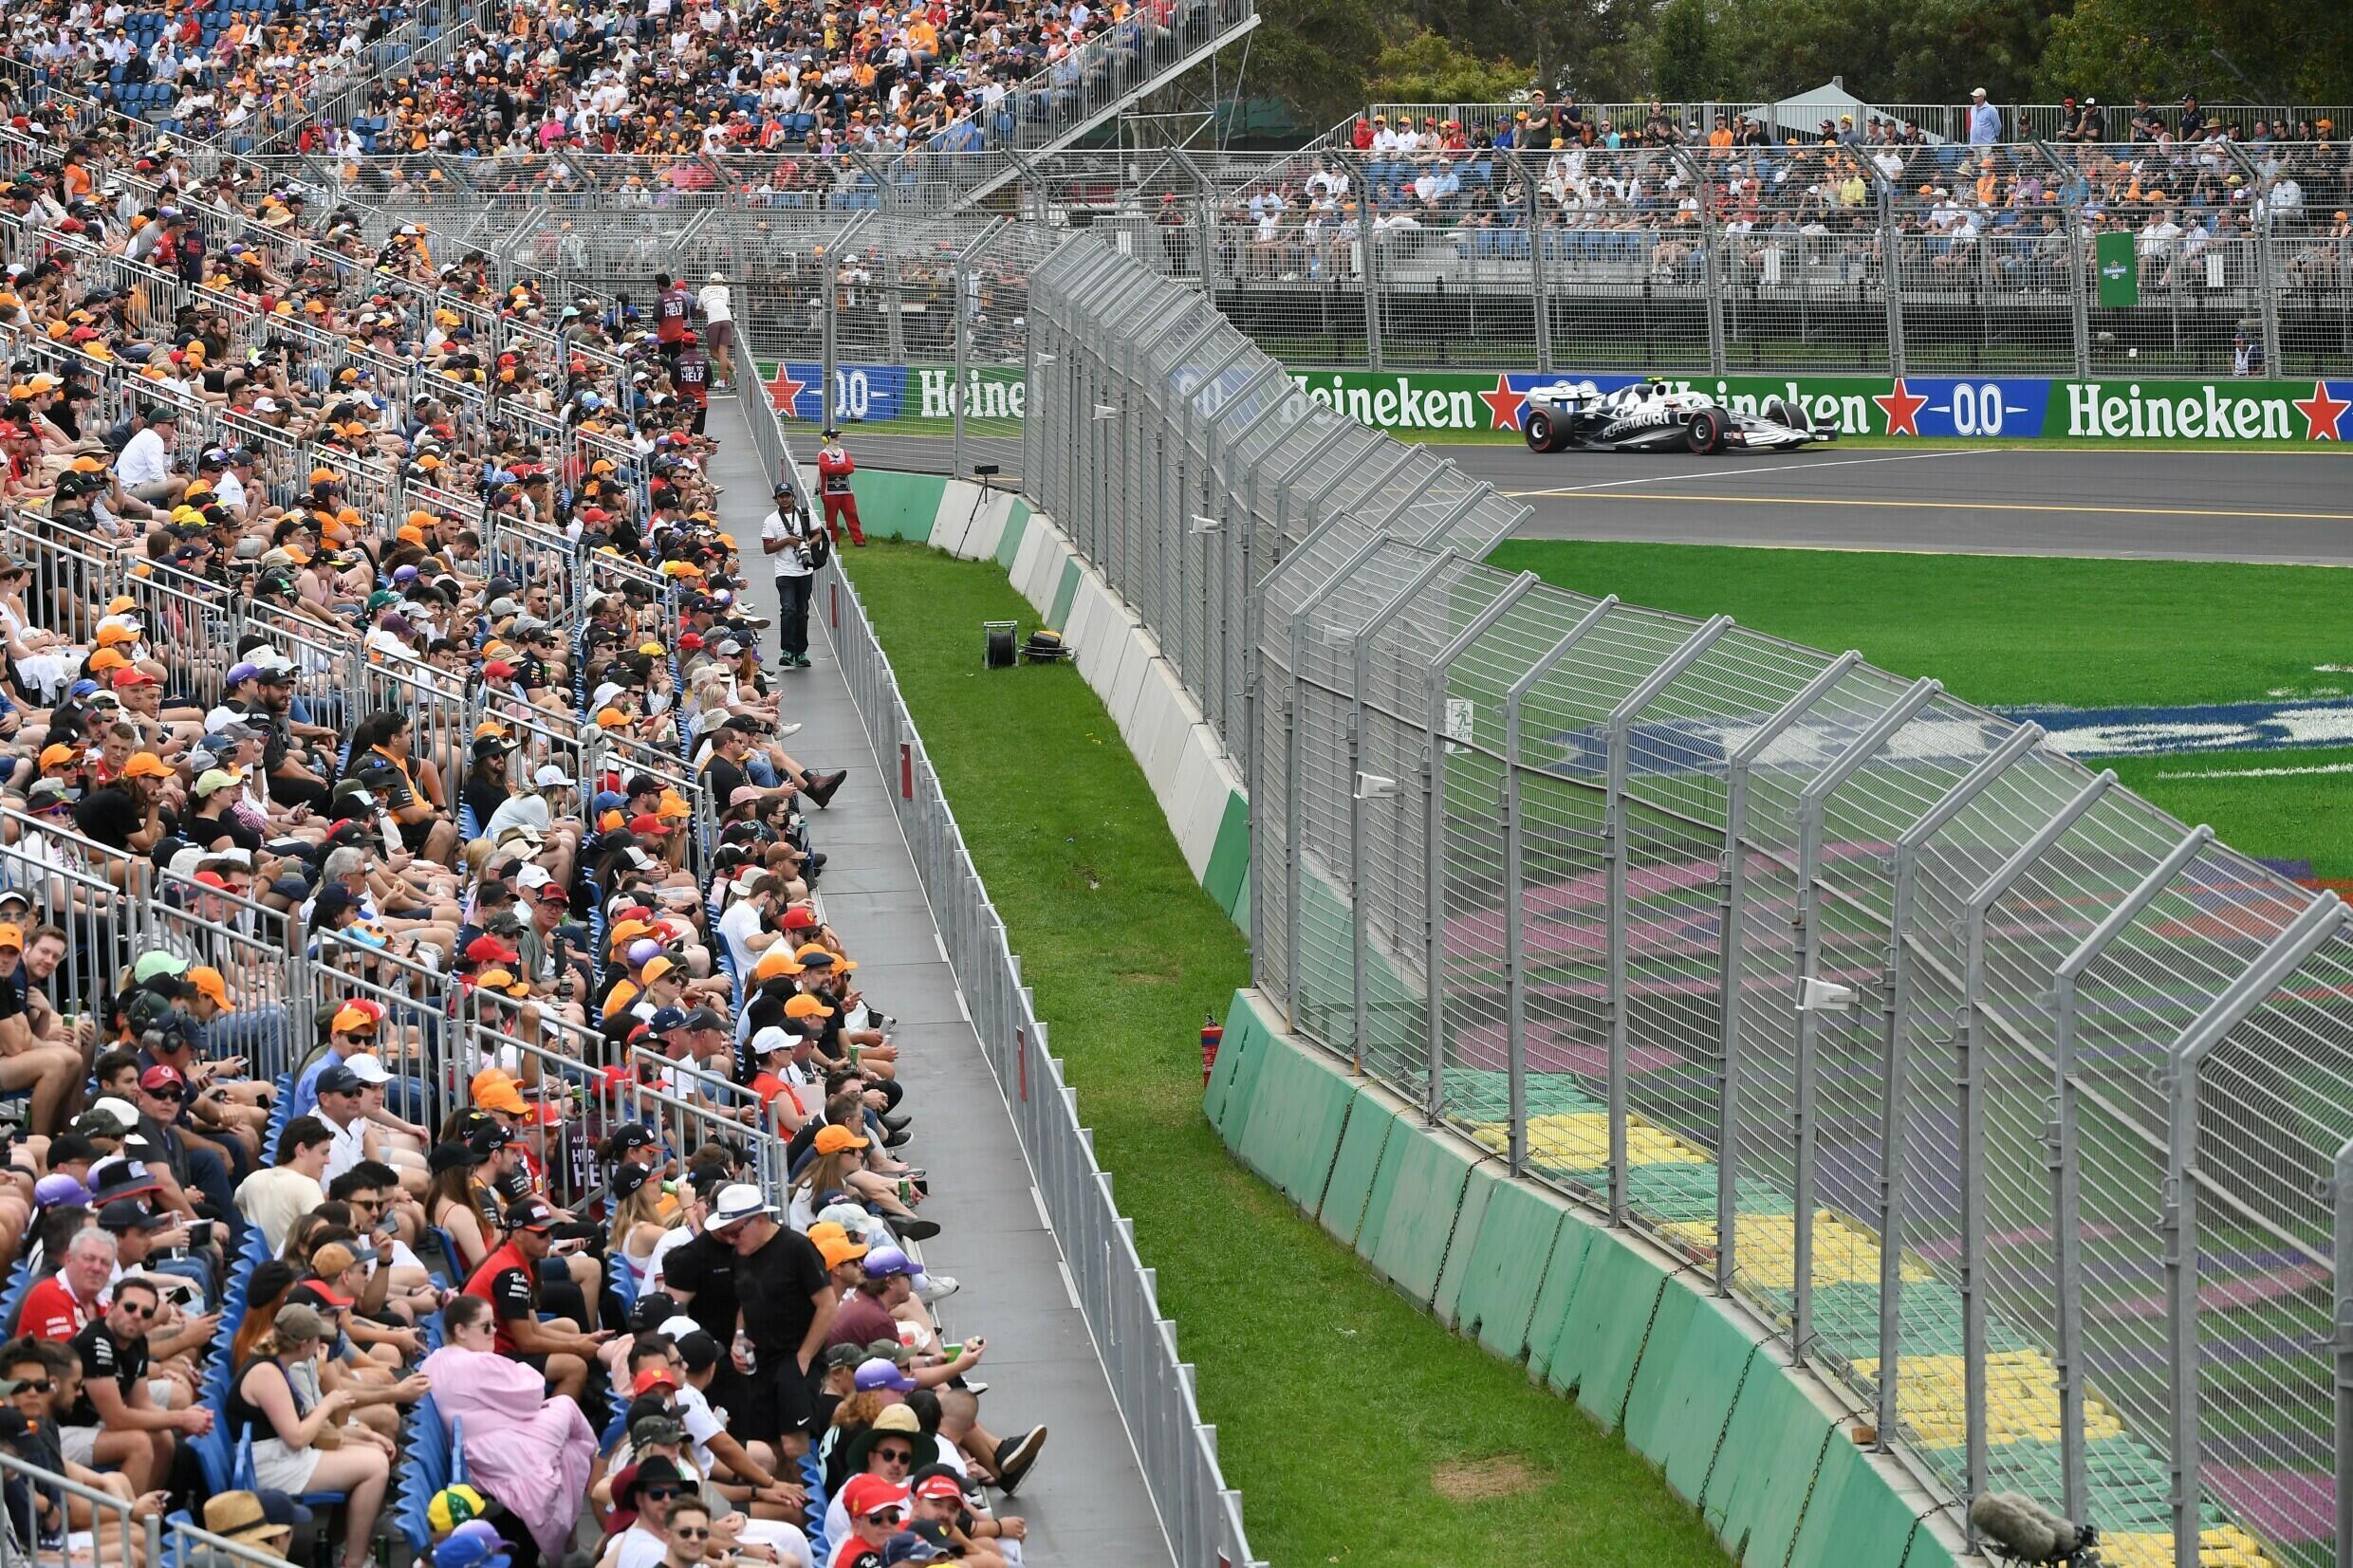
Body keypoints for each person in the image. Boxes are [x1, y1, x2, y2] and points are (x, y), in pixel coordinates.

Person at [418, 1296, 598, 1562]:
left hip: (481, 1449)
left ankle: (570, 1526)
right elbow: (532, 1394)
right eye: (486, 1327)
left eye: (494, 1324)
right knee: (567, 1409)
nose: (494, 1332)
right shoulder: (477, 1363)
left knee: (570, 1448)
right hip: (502, 1452)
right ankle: (582, 1510)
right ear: (460, 1330)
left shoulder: (434, 1360)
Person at [225, 1301, 392, 1565]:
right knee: (376, 1467)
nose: (321, 1343)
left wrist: (367, 1437)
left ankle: (338, 1545)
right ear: (303, 1345)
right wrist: (328, 1404)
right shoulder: (267, 1373)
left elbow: (307, 1429)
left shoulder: (279, 1362)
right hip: (268, 1464)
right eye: (317, 1338)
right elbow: (298, 1437)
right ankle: (354, 1560)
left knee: (375, 1452)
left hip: (279, 1453)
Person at [706, 1185, 831, 1458]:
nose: (731, 1240)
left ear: (760, 1220)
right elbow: (745, 1303)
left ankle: (804, 1498)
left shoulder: (797, 1248)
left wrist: (805, 1356)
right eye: (725, 1234)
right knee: (767, 1445)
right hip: (760, 1360)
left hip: (793, 1355)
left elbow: (827, 1305)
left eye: (735, 1232)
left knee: (793, 1444)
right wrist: (739, 1337)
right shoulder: (740, 1255)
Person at [460, 1195, 609, 1402]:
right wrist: (577, 1347)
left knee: (570, 1327)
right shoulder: (511, 1274)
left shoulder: (517, 1261)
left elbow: (535, 1329)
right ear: (519, 1234)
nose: (549, 1240)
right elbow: (527, 1343)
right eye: (542, 1234)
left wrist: (583, 1339)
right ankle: (549, 1426)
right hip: (488, 1359)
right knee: (575, 1367)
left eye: (550, 1232)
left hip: (497, 1347)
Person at [759, 484, 821, 671]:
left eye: (787, 495)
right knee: (788, 609)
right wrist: (787, 540)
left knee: (802, 612)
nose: (784, 499)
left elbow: (818, 534)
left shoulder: (805, 514)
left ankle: (801, 652)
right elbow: (767, 548)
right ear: (776, 499)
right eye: (781, 496)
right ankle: (787, 650)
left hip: (804, 571)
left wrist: (808, 544)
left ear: (793, 496)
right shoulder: (771, 520)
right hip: (784, 572)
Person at [811, 431, 865, 549]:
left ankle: (859, 540)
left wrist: (836, 467)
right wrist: (842, 466)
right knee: (831, 520)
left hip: (846, 491)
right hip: (829, 493)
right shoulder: (823, 454)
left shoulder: (843, 452)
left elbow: (851, 468)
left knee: (852, 516)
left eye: (837, 436)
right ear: (826, 439)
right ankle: (833, 541)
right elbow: (827, 469)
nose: (837, 438)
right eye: (834, 437)